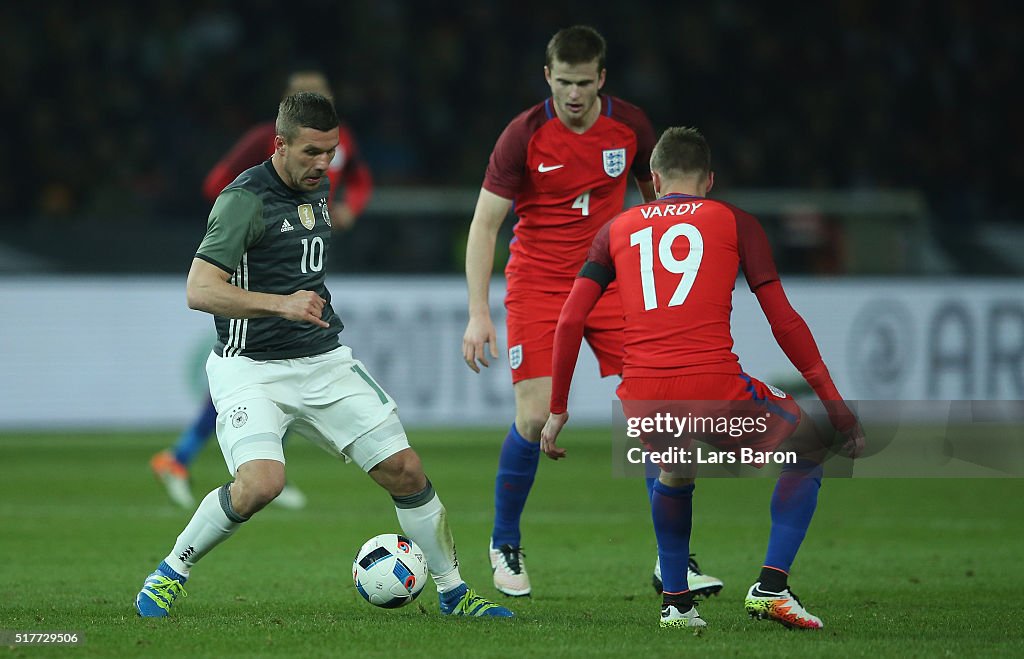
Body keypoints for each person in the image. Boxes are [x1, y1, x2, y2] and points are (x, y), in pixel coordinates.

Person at [135, 91, 513, 619]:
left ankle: (453, 592)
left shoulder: (320, 187)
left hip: (323, 361)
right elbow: (199, 289)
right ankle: (170, 571)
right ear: (279, 145)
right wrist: (280, 304)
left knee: (406, 470)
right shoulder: (243, 200)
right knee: (261, 484)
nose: (323, 164)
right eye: (311, 152)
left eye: (330, 152)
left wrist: (299, 308)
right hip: (250, 369)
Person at [540, 126, 865, 630]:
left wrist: (558, 407)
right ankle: (772, 588)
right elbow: (783, 320)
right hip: (715, 390)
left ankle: (676, 603)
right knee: (808, 448)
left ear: (653, 177)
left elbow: (568, 321)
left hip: (642, 396)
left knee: (675, 469)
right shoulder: (735, 222)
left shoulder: (616, 229)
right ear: (709, 180)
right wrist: (835, 403)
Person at [461, 25, 722, 599]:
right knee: (532, 418)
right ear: (547, 77)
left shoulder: (630, 127)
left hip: (609, 284)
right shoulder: (521, 137)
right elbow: (485, 225)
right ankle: (504, 542)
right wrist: (479, 311)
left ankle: (672, 560)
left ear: (601, 79)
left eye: (584, 83)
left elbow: (660, 207)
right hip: (538, 285)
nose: (574, 95)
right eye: (564, 83)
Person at [150, 68, 373, 511]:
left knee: (281, 363)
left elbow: (362, 179)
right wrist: (243, 226)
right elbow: (218, 184)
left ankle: (245, 462)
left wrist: (345, 208)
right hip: (252, 259)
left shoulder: (337, 141)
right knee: (252, 361)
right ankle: (195, 458)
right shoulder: (262, 142)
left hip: (300, 254)